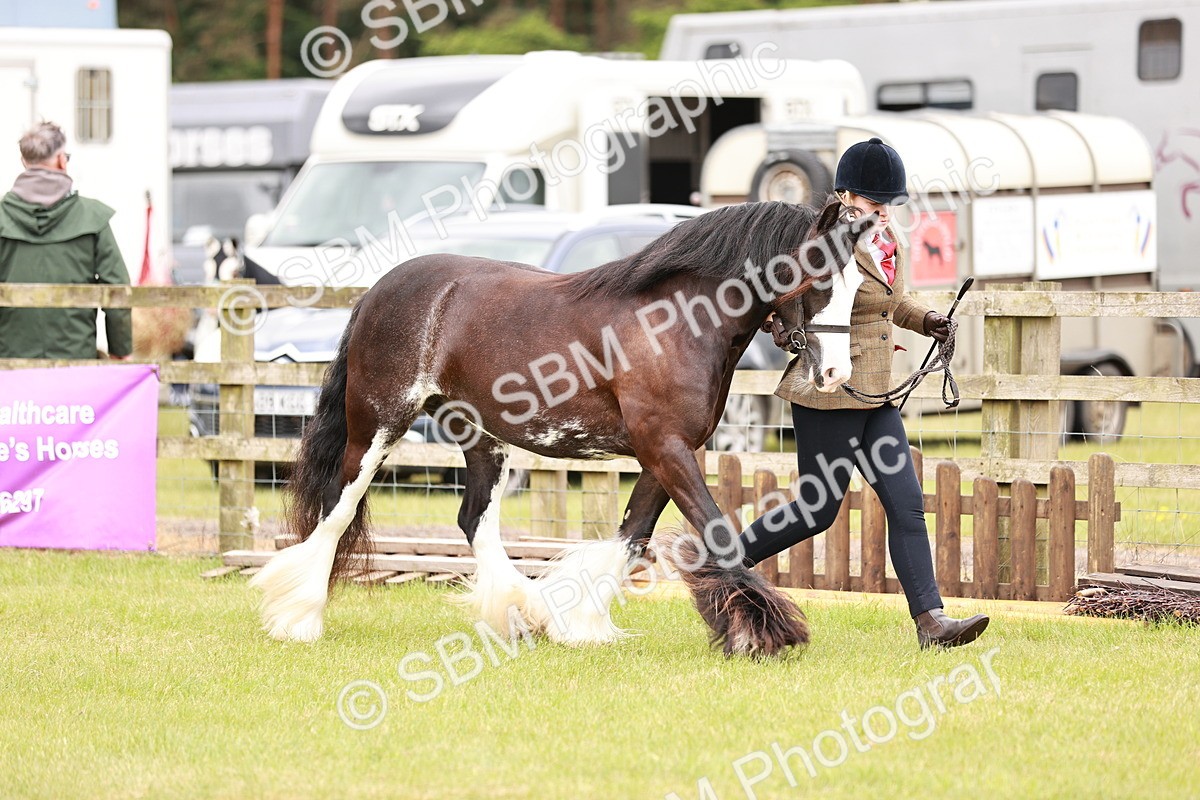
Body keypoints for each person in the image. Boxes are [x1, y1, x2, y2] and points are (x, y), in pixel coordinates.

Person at [742, 137, 989, 649]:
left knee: (906, 504)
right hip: (830, 392)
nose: (882, 214)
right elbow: (785, 297)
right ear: (847, 196)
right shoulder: (821, 242)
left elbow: (889, 304)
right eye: (874, 205)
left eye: (887, 206)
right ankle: (726, 561)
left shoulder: (886, 240)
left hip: (875, 396)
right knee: (817, 510)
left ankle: (932, 623)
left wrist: (929, 320)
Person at [0, 122, 132, 359]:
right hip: (75, 364)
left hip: (9, 367)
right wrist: (120, 352)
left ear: (23, 162)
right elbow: (117, 290)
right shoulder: (93, 218)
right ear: (61, 160)